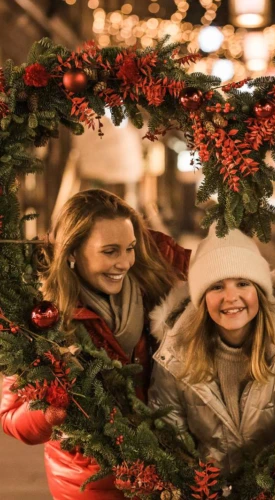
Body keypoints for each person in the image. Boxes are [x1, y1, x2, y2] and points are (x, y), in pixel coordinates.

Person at [0, 189, 191, 500]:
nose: (124, 262)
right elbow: (11, 418)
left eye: (130, 248)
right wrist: (51, 408)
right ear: (72, 252)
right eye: (110, 251)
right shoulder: (42, 318)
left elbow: (215, 269)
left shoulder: (149, 285)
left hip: (161, 467)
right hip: (88, 479)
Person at [148, 226, 275, 482]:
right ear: (202, 298)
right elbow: (169, 437)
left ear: (259, 291)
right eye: (217, 287)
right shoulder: (176, 352)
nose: (231, 297)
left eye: (243, 283)